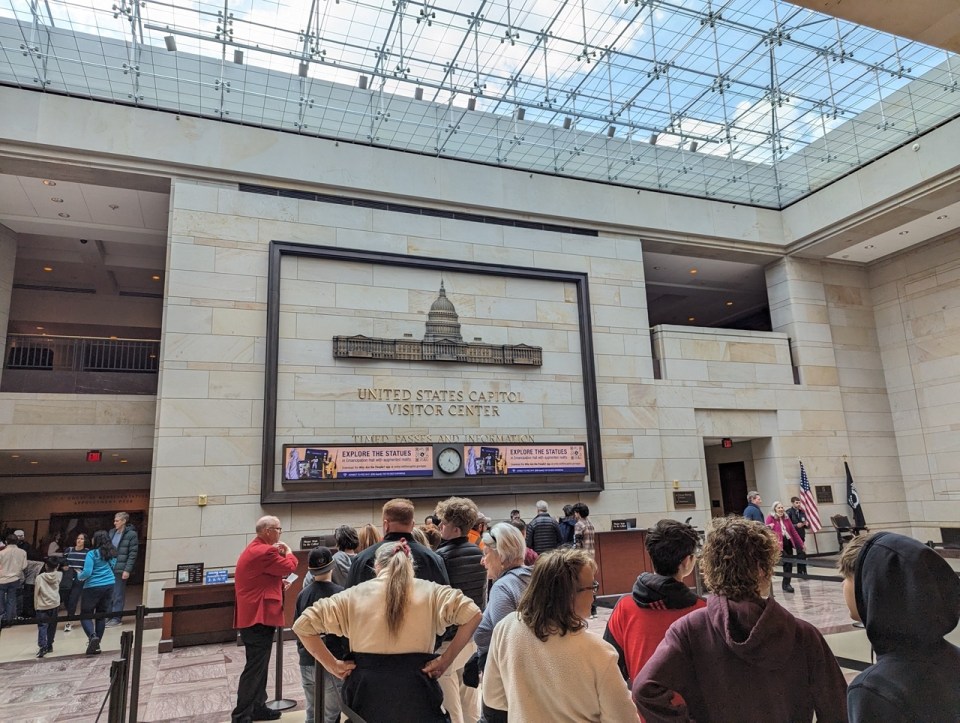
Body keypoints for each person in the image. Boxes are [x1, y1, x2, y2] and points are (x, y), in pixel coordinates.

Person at [632, 516, 847, 722]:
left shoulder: (689, 629)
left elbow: (644, 689)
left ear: (711, 569)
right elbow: (838, 709)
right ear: (763, 569)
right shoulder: (804, 635)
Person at [293, 539, 482, 723]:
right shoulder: (432, 591)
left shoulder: (351, 595)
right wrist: (445, 659)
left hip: (366, 693)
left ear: (376, 566)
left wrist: (333, 665)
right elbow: (473, 614)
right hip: (417, 691)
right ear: (410, 565)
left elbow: (302, 626)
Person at [483, 547, 638, 722]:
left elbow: (493, 698)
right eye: (592, 587)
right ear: (569, 595)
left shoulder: (506, 628)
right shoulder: (599, 653)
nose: (595, 596)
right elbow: (624, 718)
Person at [837, 532, 960, 722]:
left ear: (873, 586)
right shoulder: (954, 659)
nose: (843, 585)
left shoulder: (873, 689)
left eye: (847, 576)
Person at [603, 519, 705, 683]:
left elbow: (611, 665)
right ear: (687, 561)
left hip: (642, 705)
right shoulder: (703, 610)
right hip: (692, 707)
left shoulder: (625, 606)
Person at [231, 515, 298, 723]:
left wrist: (278, 585)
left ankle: (258, 707)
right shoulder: (265, 551)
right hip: (257, 617)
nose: (280, 533)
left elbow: (264, 578)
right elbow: (289, 566)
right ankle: (241, 714)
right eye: (278, 529)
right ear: (268, 531)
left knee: (259, 665)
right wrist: (288, 551)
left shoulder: (255, 549)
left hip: (255, 616)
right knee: (255, 667)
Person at [434, 496, 486, 723]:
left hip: (448, 641)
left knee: (450, 706)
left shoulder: (439, 558)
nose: (439, 527)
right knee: (470, 701)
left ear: (455, 529)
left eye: (443, 524)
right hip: (472, 636)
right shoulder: (480, 553)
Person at [471, 521, 532, 707]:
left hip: (506, 687)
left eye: (486, 554)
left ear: (501, 554)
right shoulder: (530, 575)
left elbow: (507, 642)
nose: (483, 561)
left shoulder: (503, 587)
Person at [295, 547, 348, 723]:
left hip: (307, 661)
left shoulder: (303, 594)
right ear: (332, 567)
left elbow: (298, 628)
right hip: (333, 661)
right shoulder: (340, 593)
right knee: (330, 715)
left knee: (312, 712)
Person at [345, 499, 448, 588]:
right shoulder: (433, 559)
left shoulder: (362, 559)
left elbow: (349, 601)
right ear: (412, 525)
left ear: (386, 525)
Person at [77, 530, 118, 656]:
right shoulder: (112, 552)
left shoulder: (92, 554)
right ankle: (97, 644)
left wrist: (79, 576)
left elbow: (87, 572)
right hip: (109, 584)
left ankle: (92, 636)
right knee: (101, 615)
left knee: (85, 614)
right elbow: (112, 567)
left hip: (93, 586)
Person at [105, 511, 139, 626]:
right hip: (109, 567)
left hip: (121, 568)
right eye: (114, 520)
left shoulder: (131, 534)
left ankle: (116, 617)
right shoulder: (111, 532)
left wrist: (127, 570)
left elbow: (132, 553)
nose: (115, 523)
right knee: (108, 593)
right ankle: (107, 615)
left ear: (124, 521)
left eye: (117, 520)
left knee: (118, 593)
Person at [765, 501, 804, 593]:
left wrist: (801, 544)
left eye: (782, 507)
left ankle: (787, 584)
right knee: (786, 562)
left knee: (789, 564)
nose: (781, 509)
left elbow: (793, 531)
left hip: (788, 543)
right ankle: (784, 584)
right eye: (779, 508)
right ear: (774, 509)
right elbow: (767, 532)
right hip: (778, 544)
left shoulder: (786, 518)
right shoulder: (770, 518)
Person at [573, 502, 598, 617]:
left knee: (583, 584)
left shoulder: (579, 525)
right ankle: (594, 609)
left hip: (582, 557)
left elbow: (577, 543)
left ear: (578, 513)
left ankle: (585, 609)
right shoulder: (590, 524)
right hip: (592, 556)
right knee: (591, 582)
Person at [62, 532, 90, 633]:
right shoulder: (69, 550)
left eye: (82, 539)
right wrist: (64, 566)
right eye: (78, 538)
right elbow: (63, 561)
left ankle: (69, 620)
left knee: (73, 599)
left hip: (79, 577)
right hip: (68, 577)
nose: (79, 540)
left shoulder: (87, 552)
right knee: (65, 597)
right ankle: (70, 614)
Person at [34, 557, 61, 657]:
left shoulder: (40, 577)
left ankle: (42, 646)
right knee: (52, 626)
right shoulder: (59, 575)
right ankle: (50, 645)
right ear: (57, 566)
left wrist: (36, 605)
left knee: (42, 626)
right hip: (55, 603)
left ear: (45, 566)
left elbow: (37, 592)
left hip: (42, 605)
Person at [0, 533, 27, 627]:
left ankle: (1, 620)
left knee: (1, 600)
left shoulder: (1, 553)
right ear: (17, 541)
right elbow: (24, 566)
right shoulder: (23, 552)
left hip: (2, 579)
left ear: (6, 542)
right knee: (11, 600)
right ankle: (8, 621)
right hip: (15, 579)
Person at [785, 497, 809, 575]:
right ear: (792, 503)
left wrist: (807, 525)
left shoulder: (802, 512)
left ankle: (802, 570)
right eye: (796, 503)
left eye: (799, 502)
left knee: (802, 553)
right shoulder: (789, 512)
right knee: (797, 553)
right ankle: (801, 571)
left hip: (801, 535)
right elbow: (787, 525)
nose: (798, 504)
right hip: (792, 536)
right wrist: (796, 525)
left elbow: (804, 522)